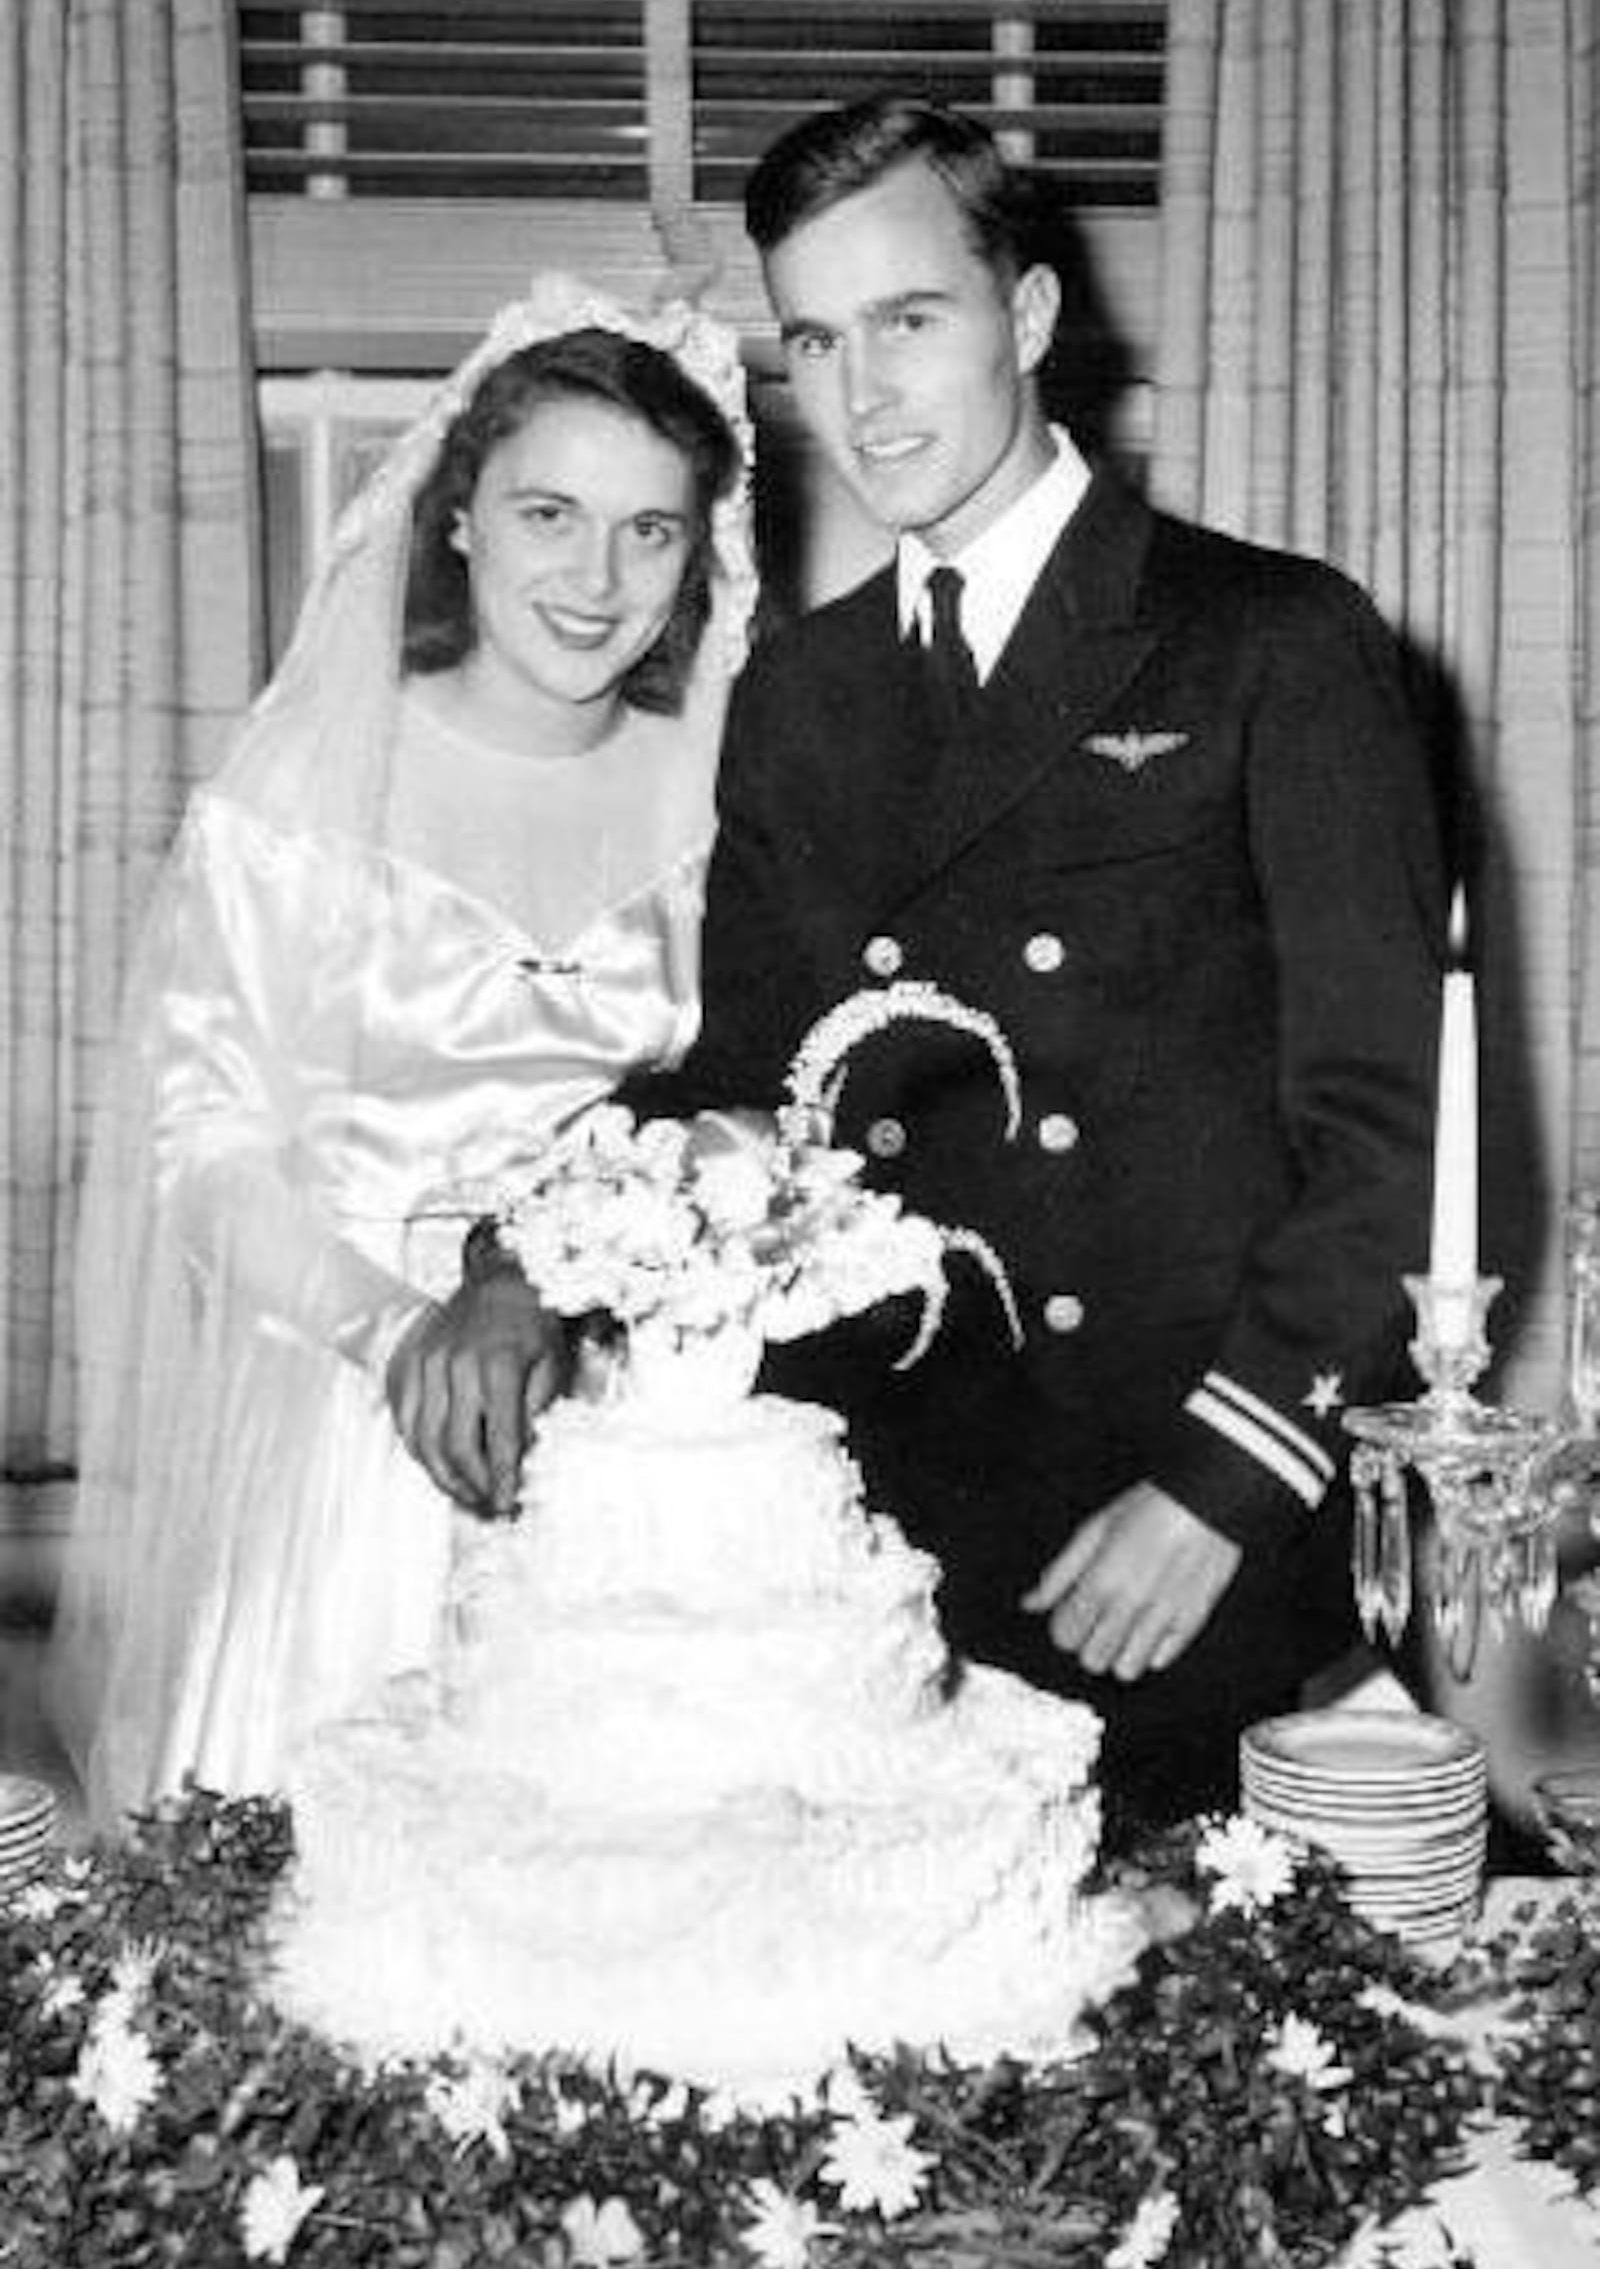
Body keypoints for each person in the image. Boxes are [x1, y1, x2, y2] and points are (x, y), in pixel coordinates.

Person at [621, 93, 1450, 1826]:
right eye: (818, 340)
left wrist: (1224, 1484)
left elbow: (1382, 1139)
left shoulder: (1269, 640)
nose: (862, 394)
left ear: (1034, 318)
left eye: (910, 320)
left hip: (1169, 1539)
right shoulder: (802, 690)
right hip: (876, 1546)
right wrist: (538, 1235)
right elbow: (746, 1085)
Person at [47, 276, 755, 1825]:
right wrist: (397, 1334)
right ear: (459, 518)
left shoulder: (723, 803)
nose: (597, 574)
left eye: (651, 530)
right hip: (357, 1438)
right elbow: (203, 1151)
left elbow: (748, 1112)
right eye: (550, 514)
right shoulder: (301, 796)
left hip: (643, 1454)